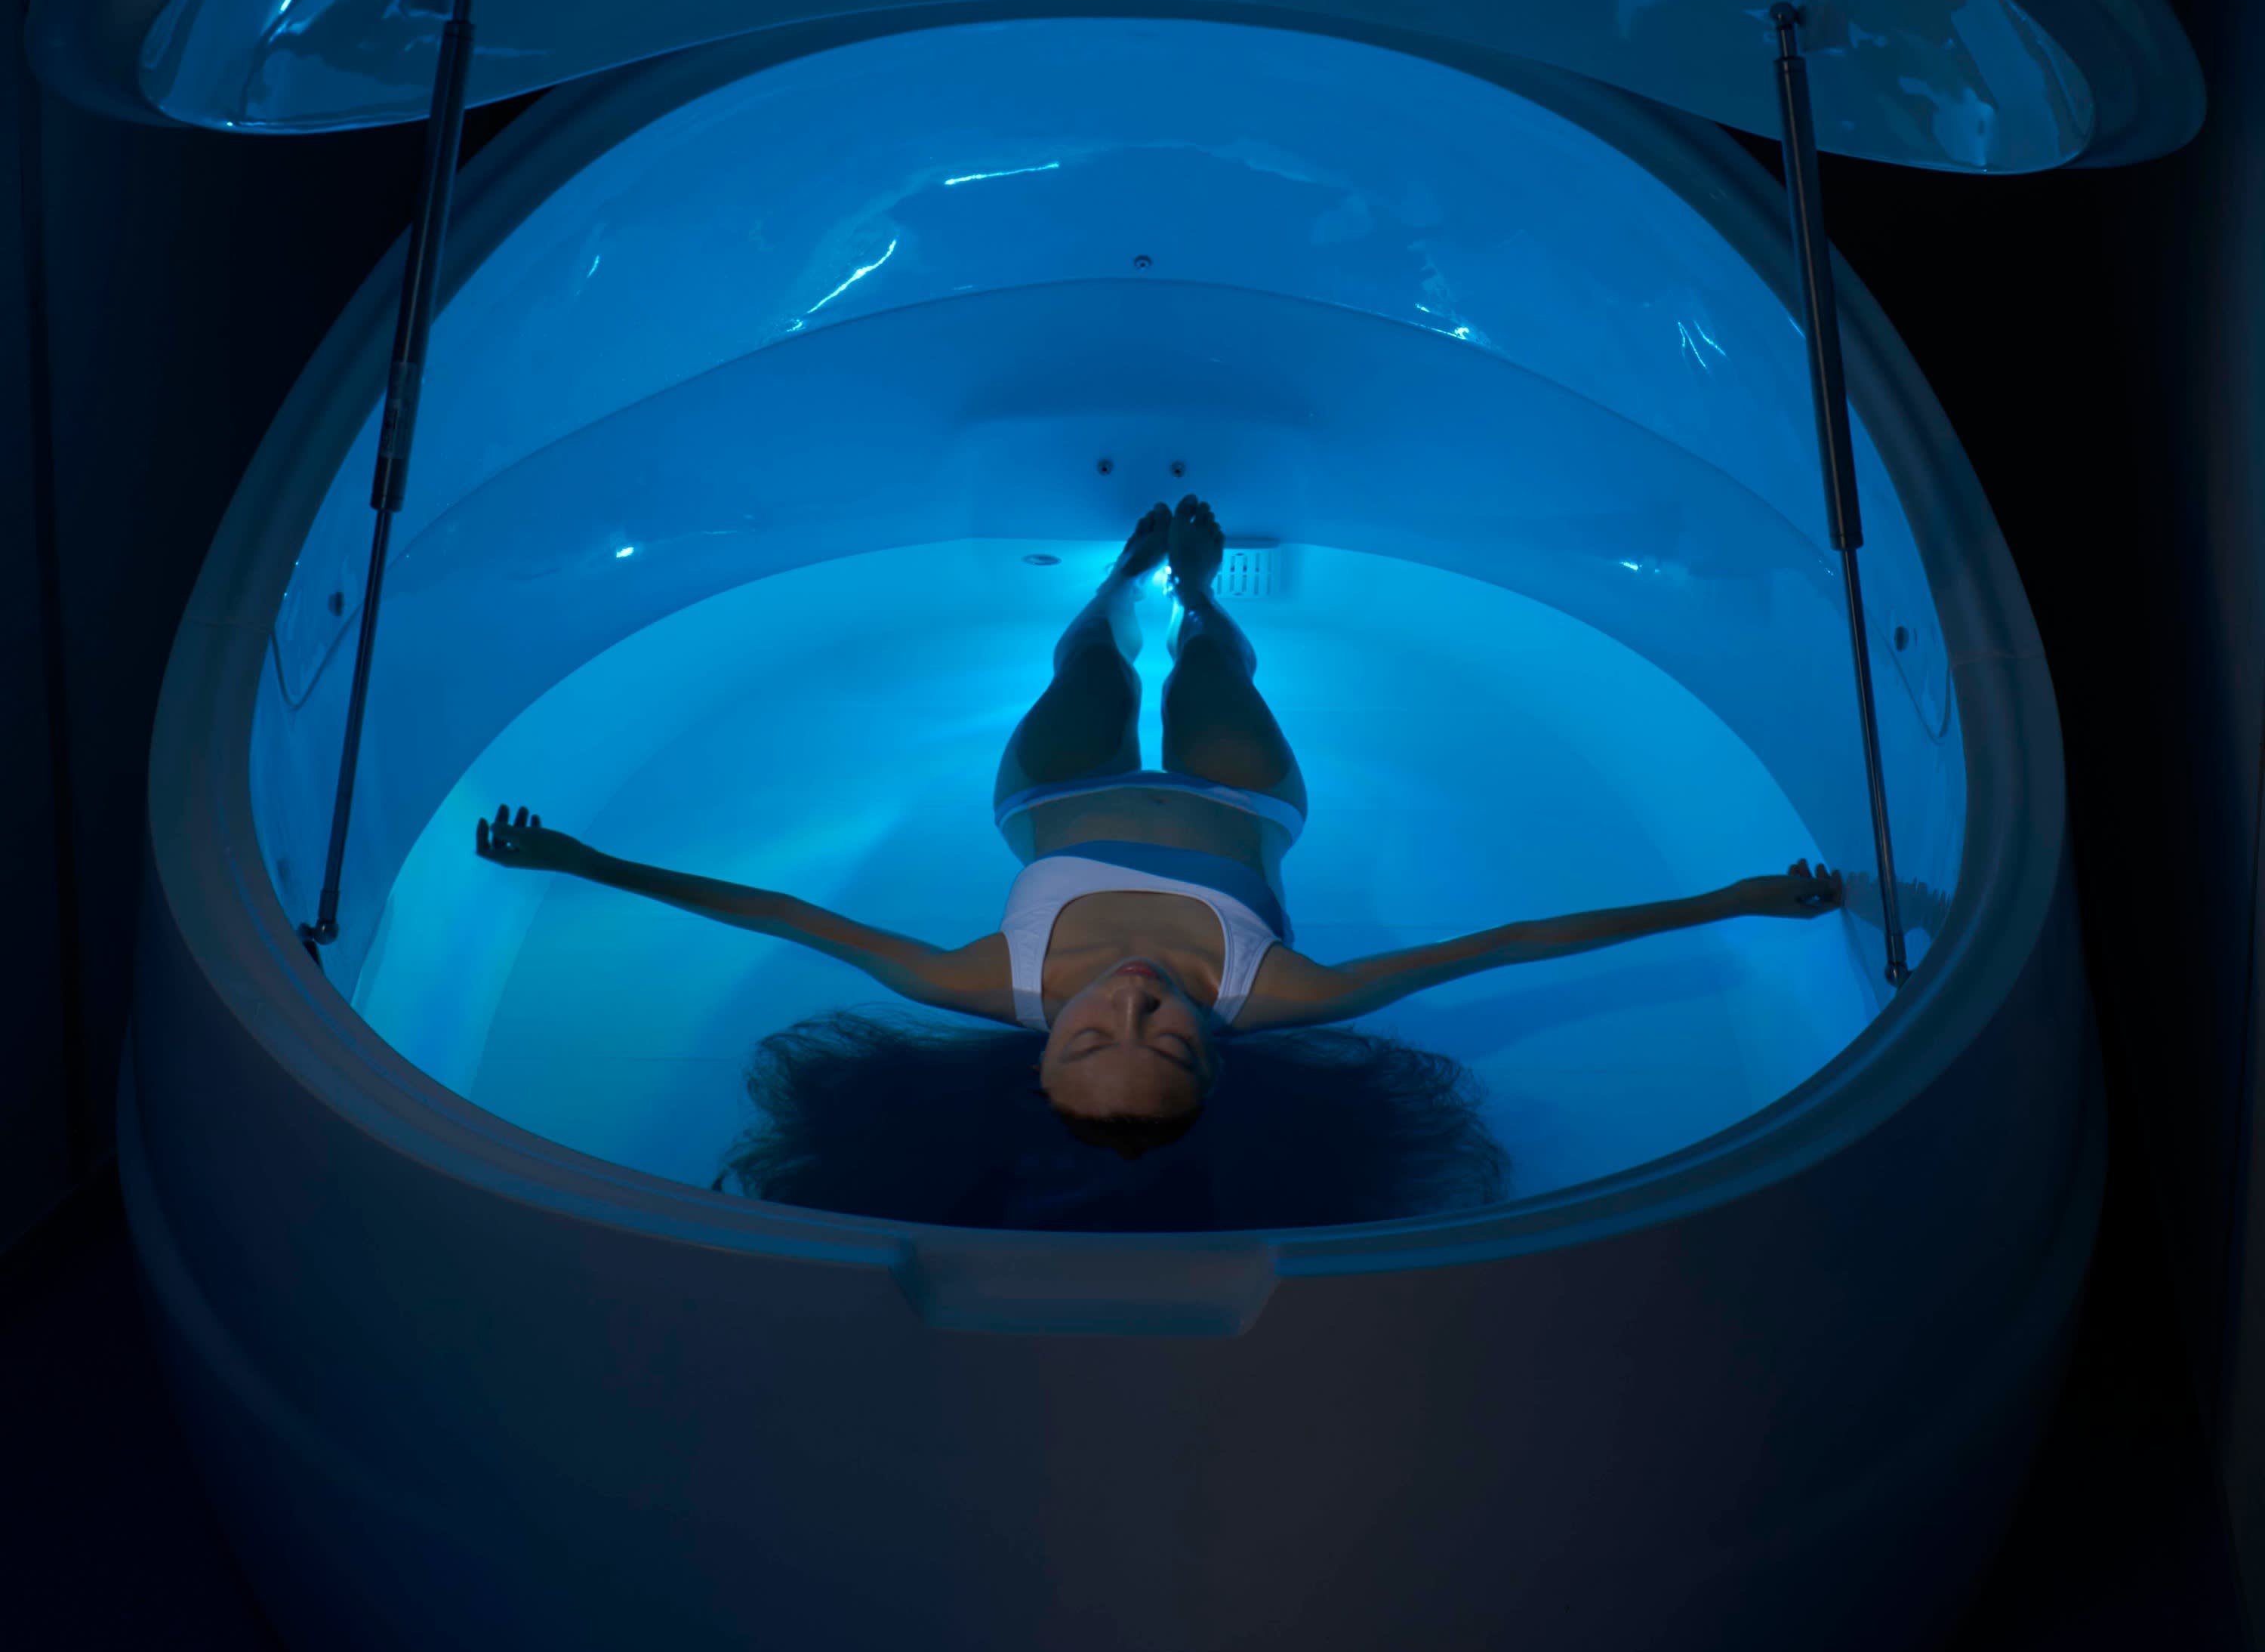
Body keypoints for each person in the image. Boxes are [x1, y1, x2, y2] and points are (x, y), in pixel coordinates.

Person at [476, 495, 1843, 1170]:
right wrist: (1731, 898)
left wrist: (583, 860)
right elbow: (1516, 941)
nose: (1132, 1004)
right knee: (1212, 670)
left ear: (1039, 1051)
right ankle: (1195, 593)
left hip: (1048, 802)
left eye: (1092, 1039)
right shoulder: (1281, 993)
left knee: (1087, 665)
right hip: (1244, 807)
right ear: (1216, 1052)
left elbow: (778, 913)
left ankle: (1121, 585)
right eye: (1170, 1041)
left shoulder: (981, 981)